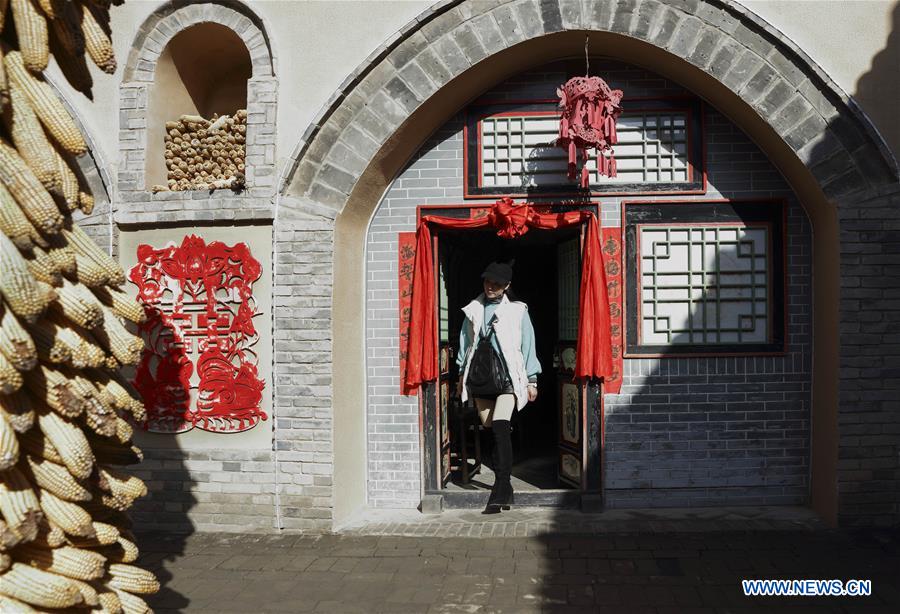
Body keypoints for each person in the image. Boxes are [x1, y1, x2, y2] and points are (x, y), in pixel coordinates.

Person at [456, 261, 541, 514]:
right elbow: (465, 344)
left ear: (507, 286)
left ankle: (501, 487)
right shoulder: (473, 309)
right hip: (481, 379)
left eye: (496, 283)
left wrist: (532, 379)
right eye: (487, 282)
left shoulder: (517, 311)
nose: (490, 287)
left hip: (508, 379)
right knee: (490, 429)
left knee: (501, 428)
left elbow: (528, 344)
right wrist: (461, 375)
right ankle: (507, 490)